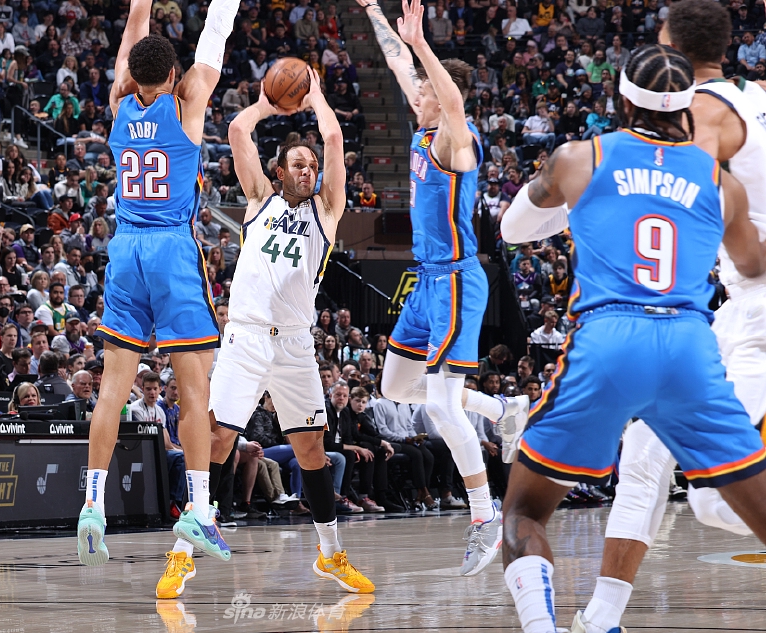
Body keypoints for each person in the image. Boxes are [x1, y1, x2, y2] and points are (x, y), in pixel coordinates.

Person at [497, 44, 766, 633]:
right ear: (688, 106)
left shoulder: (578, 158)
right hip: (690, 346)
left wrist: (580, 205)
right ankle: (602, 616)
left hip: (609, 340)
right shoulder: (722, 184)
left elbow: (513, 229)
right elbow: (752, 265)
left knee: (523, 512)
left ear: (621, 101)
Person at [569, 5, 766, 632]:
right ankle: (601, 617)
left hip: (758, 306)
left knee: (713, 498)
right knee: (643, 450)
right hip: (740, 302)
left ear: (672, 47)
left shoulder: (705, 110)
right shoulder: (755, 95)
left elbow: (675, 196)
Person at [190, 67, 373, 599]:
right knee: (219, 437)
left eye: (312, 165)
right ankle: (185, 549)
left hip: (294, 343)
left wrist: (315, 97)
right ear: (280, 171)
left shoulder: (327, 211)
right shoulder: (259, 199)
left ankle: (330, 553)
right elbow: (236, 131)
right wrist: (270, 105)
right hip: (246, 337)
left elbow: (334, 138)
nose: (309, 170)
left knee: (313, 449)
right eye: (299, 164)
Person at [359, 0, 526, 576]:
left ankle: (485, 516)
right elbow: (398, 66)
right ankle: (501, 408)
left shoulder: (457, 141)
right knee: (396, 386)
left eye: (425, 90)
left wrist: (423, 45)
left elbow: (449, 98)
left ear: (443, 94)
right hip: (426, 282)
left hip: (457, 279)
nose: (416, 97)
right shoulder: (426, 121)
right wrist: (375, 13)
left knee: (439, 405)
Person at [78, 0, 241, 574]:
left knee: (111, 389)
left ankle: (92, 506)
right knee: (194, 389)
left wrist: (142, 6)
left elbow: (134, 28)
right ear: (173, 74)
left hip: (124, 249)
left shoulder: (119, 104)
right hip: (171, 248)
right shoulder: (187, 103)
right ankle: (198, 509)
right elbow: (214, 37)